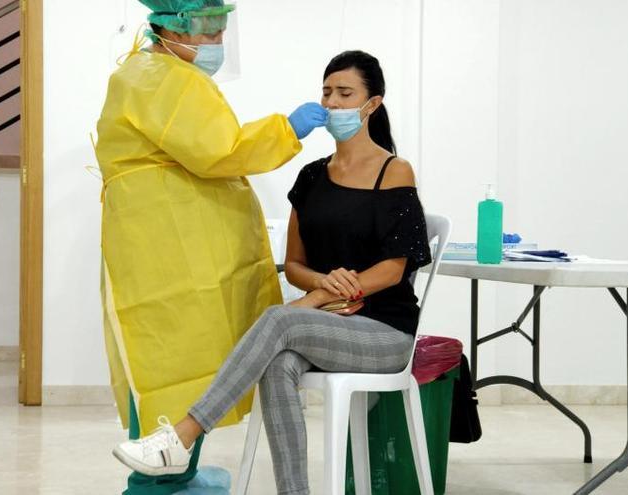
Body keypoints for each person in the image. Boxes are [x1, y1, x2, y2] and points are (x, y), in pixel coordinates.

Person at [112, 50, 433, 495]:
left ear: (372, 104)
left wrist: (334, 292)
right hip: (323, 322)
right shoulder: (311, 177)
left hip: (383, 331)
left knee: (281, 319)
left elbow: (395, 269)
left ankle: (182, 436)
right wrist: (319, 287)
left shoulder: (394, 171)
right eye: (327, 93)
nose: (333, 103)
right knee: (278, 363)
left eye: (345, 94)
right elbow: (296, 264)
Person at [95, 1, 328, 493]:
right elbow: (220, 149)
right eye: (207, 29)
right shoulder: (163, 79)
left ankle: (180, 471)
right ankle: (155, 483)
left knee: (189, 362)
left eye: (222, 28)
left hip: (168, 241)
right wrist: (287, 129)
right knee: (173, 364)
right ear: (172, 27)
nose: (217, 41)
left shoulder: (151, 73)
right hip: (170, 248)